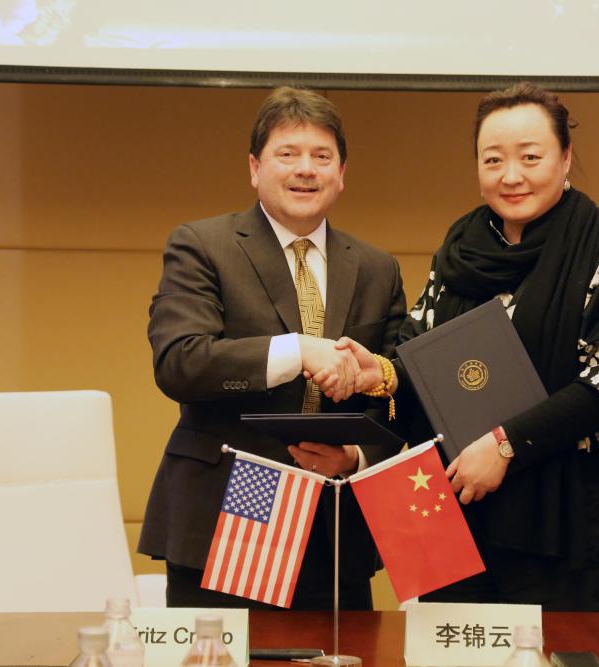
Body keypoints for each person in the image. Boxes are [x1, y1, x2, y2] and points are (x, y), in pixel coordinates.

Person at [321, 83, 599, 612]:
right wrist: (383, 373)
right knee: (451, 647)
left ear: (565, 157)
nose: (511, 175)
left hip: (564, 531)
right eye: (493, 160)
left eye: (530, 157)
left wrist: (507, 445)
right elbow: (424, 356)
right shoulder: (461, 251)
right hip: (455, 520)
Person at [138, 86, 407, 609]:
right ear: (255, 168)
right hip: (228, 519)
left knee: (344, 651)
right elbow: (180, 362)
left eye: (321, 156)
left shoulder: (377, 268)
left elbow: (397, 389)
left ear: (341, 173)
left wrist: (356, 456)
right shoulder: (203, 246)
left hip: (332, 527)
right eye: (288, 154)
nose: (305, 169)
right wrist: (299, 351)